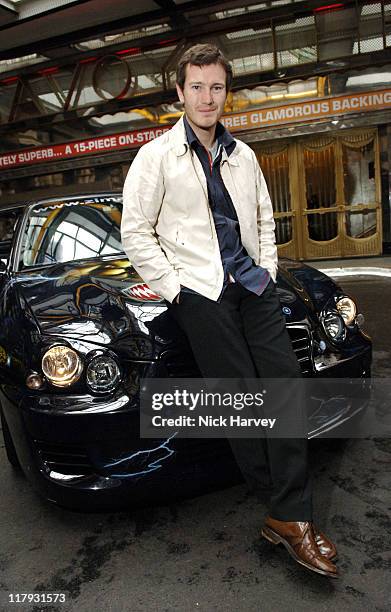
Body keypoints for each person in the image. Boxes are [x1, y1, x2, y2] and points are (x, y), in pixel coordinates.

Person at [121, 43, 338, 578]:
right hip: (201, 289)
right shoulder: (156, 157)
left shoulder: (243, 155)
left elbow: (264, 214)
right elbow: (136, 232)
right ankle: (283, 510)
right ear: (179, 92)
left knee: (284, 383)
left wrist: (264, 269)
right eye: (196, 86)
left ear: (226, 92)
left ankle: (288, 516)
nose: (206, 97)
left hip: (251, 284)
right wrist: (177, 290)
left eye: (216, 87)